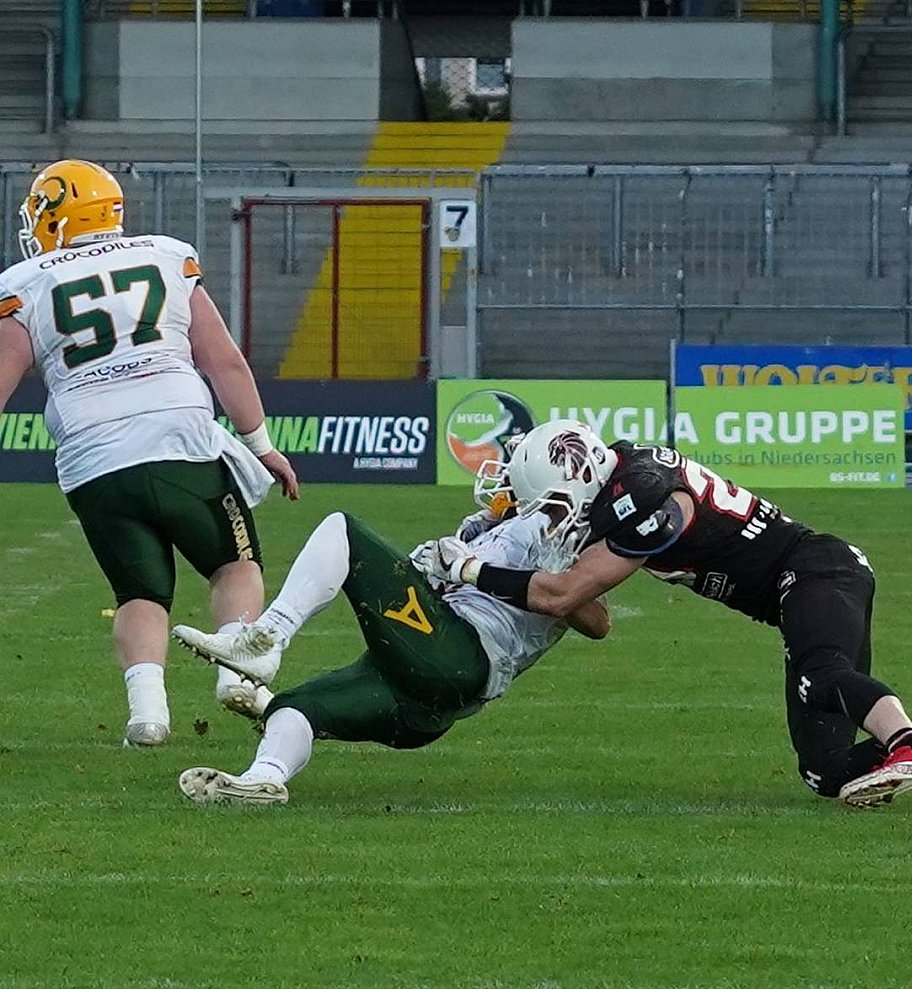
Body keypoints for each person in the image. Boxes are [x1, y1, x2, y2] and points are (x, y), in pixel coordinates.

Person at [410, 420, 912, 809]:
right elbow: (591, 615)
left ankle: (906, 746)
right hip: (801, 586)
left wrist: (468, 571)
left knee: (820, 675)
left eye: (544, 498)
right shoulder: (621, 486)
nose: (540, 511)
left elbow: (560, 595)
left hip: (814, 569)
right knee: (825, 770)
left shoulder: (639, 496)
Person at [0, 159, 299, 747]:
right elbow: (224, 362)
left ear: (58, 215)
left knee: (138, 592)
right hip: (179, 437)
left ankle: (148, 715)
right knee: (235, 565)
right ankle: (235, 671)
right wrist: (261, 445)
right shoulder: (166, 255)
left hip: (92, 457)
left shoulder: (25, 282)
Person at [168, 498, 610, 806]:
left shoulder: (570, 542)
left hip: (455, 653)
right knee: (295, 708)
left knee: (344, 530)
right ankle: (262, 779)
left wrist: (473, 568)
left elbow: (595, 619)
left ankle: (268, 638)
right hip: (428, 698)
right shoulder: (504, 526)